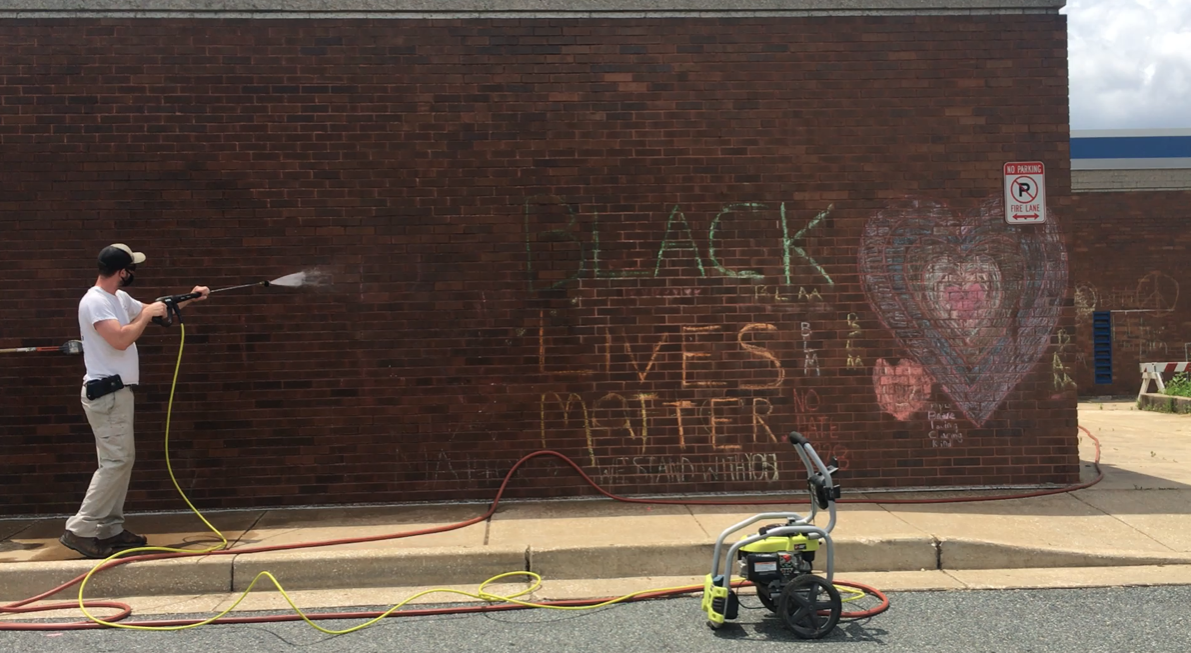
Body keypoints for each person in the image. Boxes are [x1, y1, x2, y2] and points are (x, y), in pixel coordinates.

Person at [59, 244, 209, 559]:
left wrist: (189, 298)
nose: (131, 274)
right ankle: (81, 529)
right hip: (106, 394)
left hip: (117, 393)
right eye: (130, 269)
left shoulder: (119, 299)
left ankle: (111, 529)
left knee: (118, 462)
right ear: (122, 271)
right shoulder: (95, 302)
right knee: (116, 463)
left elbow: (154, 311)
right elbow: (121, 338)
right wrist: (147, 314)